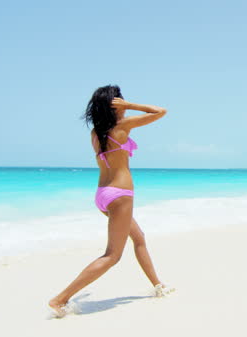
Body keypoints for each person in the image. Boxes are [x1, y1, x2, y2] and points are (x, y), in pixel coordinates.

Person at [48, 85, 174, 318]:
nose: (124, 108)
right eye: (120, 104)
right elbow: (160, 111)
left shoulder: (95, 133)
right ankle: (60, 299)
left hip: (103, 194)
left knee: (138, 238)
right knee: (112, 256)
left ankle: (158, 285)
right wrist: (130, 106)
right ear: (115, 106)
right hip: (120, 194)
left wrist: (121, 107)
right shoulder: (122, 126)